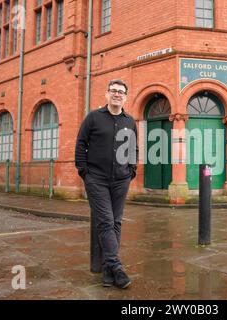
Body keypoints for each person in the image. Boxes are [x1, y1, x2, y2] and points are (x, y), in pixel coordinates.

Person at [75, 79, 138, 289]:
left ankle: (108, 272)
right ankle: (117, 267)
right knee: (106, 221)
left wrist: (132, 170)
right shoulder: (93, 118)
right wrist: (84, 172)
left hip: (121, 179)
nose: (117, 94)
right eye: (113, 91)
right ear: (107, 94)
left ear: (126, 97)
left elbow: (133, 148)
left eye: (121, 92)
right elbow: (81, 144)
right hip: (97, 179)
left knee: (116, 222)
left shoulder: (130, 121)